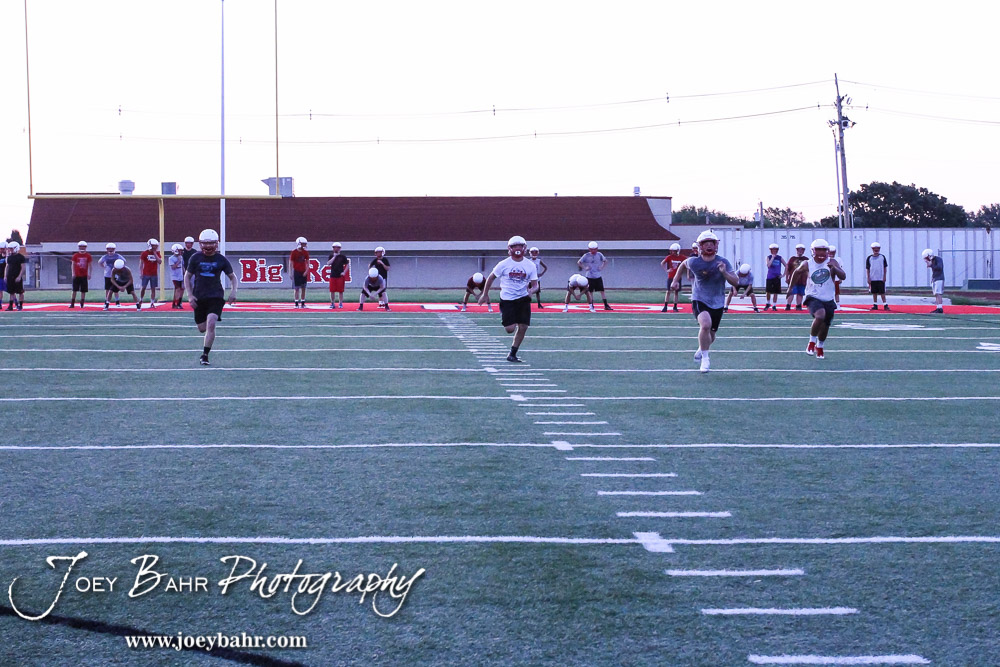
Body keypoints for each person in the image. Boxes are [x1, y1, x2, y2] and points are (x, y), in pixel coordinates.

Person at [669, 230, 739, 373]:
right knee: (705, 325)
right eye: (705, 243)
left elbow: (736, 281)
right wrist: (676, 281)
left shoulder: (723, 262)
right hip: (699, 298)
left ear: (716, 245)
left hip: (718, 301)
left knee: (711, 334)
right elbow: (683, 265)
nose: (709, 246)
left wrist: (724, 272)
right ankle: (705, 359)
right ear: (700, 246)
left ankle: (702, 348)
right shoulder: (694, 261)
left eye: (711, 243)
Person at [480, 235, 539, 363]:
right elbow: (490, 277)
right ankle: (505, 315)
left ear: (524, 248)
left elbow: (535, 284)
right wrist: (485, 294)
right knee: (510, 329)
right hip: (507, 299)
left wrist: (531, 291)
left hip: (523, 298)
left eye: (520, 246)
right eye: (514, 246)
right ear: (509, 248)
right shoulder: (504, 264)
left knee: (523, 326)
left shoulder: (530, 265)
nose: (517, 248)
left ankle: (512, 353)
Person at [184, 229, 237, 366]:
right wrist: (190, 295)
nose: (208, 246)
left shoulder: (221, 259)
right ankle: (206, 343)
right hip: (199, 296)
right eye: (205, 243)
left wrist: (233, 292)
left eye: (211, 243)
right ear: (200, 244)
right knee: (202, 328)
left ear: (216, 244)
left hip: (216, 296)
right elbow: (187, 276)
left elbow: (232, 277)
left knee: (211, 322)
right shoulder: (195, 258)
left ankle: (205, 355)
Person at [787, 238, 845, 360]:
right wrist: (790, 288)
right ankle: (811, 342)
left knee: (826, 325)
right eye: (818, 250)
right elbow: (796, 273)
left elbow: (843, 276)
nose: (821, 254)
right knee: (820, 315)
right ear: (813, 251)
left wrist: (835, 269)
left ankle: (820, 346)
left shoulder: (832, 261)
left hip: (828, 297)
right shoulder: (807, 264)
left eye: (823, 250)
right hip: (813, 295)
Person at [578, 241, 612, 310]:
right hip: (589, 276)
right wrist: (585, 268)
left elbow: (605, 261)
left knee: (602, 291)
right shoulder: (586, 255)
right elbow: (579, 262)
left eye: (595, 249)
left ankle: (606, 305)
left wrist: (601, 267)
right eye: (592, 249)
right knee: (590, 291)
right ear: (589, 249)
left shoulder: (599, 254)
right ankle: (591, 305)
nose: (593, 251)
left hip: (598, 276)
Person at [99, 242, 126, 309]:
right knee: (107, 289)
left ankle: (117, 301)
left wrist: (119, 268)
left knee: (115, 289)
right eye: (109, 249)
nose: (110, 251)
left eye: (112, 249)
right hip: (107, 275)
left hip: (115, 275)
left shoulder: (117, 256)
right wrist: (104, 267)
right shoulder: (105, 256)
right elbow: (99, 262)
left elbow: (124, 261)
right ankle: (107, 301)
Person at [324, 242, 351, 309]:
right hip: (333, 275)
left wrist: (344, 272)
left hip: (340, 276)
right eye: (335, 247)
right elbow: (328, 263)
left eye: (337, 247)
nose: (336, 249)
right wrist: (334, 256)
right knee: (332, 290)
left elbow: (347, 264)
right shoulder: (331, 256)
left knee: (340, 291)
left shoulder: (343, 256)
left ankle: (340, 303)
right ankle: (332, 303)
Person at [138, 238, 162, 308]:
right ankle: (141, 300)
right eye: (154, 245)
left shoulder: (157, 253)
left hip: (154, 274)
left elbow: (160, 261)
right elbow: (141, 264)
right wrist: (141, 273)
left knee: (153, 288)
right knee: (143, 288)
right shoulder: (144, 253)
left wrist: (154, 253)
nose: (156, 247)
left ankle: (152, 302)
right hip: (146, 273)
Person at [660, 243, 684, 312]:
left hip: (678, 277)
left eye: (674, 251)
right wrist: (667, 270)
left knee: (676, 292)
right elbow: (662, 263)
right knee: (668, 291)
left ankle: (675, 306)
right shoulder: (669, 257)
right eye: (672, 251)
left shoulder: (682, 257)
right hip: (671, 276)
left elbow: (687, 262)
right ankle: (665, 306)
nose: (672, 252)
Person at [866, 241, 890, 310]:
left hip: (880, 278)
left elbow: (885, 267)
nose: (876, 250)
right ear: (872, 249)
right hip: (873, 278)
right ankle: (875, 304)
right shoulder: (869, 258)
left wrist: (884, 276)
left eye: (877, 249)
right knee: (874, 292)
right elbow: (867, 268)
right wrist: (868, 278)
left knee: (882, 292)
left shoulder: (882, 257)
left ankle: (885, 304)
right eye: (874, 249)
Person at [69, 240, 93, 309]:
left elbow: (90, 265)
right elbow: (73, 264)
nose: (82, 248)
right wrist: (73, 273)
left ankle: (82, 303)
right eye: (81, 247)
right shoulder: (75, 255)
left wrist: (89, 273)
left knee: (83, 290)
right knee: (74, 290)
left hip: (84, 275)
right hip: (77, 275)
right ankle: (72, 303)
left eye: (83, 247)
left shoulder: (88, 256)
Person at [762, 243, 786, 311]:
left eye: (775, 250)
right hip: (770, 276)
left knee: (776, 292)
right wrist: (772, 257)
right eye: (773, 250)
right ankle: (768, 303)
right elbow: (768, 265)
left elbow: (786, 265)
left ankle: (774, 305)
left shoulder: (779, 258)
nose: (774, 251)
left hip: (777, 277)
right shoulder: (768, 257)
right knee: (768, 291)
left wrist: (783, 275)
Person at [784, 244, 807, 311]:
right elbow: (788, 269)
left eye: (802, 250)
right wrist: (786, 278)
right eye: (799, 249)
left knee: (800, 293)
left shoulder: (806, 259)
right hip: (793, 279)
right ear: (796, 250)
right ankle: (788, 305)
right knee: (791, 292)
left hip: (802, 279)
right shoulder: (792, 259)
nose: (800, 251)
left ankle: (798, 305)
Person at [5, 242, 26, 311]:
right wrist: (6, 276)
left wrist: (19, 276)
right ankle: (10, 305)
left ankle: (20, 305)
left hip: (17, 276)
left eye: (11, 248)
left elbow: (23, 267)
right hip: (10, 277)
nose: (10, 250)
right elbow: (7, 267)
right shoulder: (9, 257)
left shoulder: (21, 257)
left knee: (20, 292)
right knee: (11, 292)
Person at [922, 248, 945, 314]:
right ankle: (938, 307)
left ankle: (940, 308)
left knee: (938, 293)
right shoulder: (934, 260)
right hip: (935, 278)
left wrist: (931, 265)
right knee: (936, 294)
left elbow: (939, 268)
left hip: (939, 278)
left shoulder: (938, 259)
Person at [290, 237, 310, 308]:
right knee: (296, 288)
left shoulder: (305, 252)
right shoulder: (294, 252)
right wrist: (291, 272)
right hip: (297, 272)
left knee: (303, 288)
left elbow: (308, 263)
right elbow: (291, 263)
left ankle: (303, 302)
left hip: (303, 271)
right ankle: (296, 302)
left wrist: (306, 271)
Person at [168, 244, 186, 309]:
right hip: (175, 276)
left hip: (181, 275)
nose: (181, 252)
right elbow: (173, 267)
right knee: (177, 289)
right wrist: (178, 261)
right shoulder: (171, 258)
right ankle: (175, 303)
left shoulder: (181, 257)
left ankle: (178, 302)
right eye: (179, 251)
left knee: (182, 289)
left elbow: (182, 266)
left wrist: (185, 274)